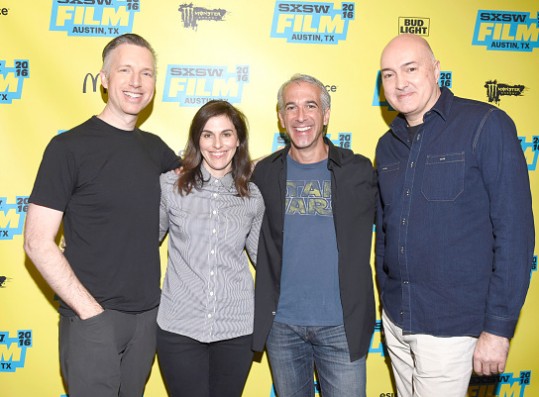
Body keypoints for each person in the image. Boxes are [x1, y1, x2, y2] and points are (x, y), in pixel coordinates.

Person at [375, 33, 535, 397]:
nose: (399, 82)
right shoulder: (387, 147)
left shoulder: (486, 124)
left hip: (450, 326)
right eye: (388, 74)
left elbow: (515, 232)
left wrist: (498, 328)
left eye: (410, 68)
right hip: (397, 320)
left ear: (436, 69)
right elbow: (384, 233)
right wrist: (387, 300)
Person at [23, 33, 180, 397]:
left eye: (146, 73)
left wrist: (286, 158)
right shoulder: (68, 148)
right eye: (125, 70)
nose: (136, 82)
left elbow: (209, 180)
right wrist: (90, 312)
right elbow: (36, 241)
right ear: (104, 79)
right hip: (93, 319)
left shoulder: (154, 148)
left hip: (146, 320)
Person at [251, 74, 377, 397]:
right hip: (283, 327)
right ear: (281, 118)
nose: (301, 116)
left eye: (310, 105)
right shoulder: (265, 173)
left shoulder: (358, 171)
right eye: (290, 107)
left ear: (326, 114)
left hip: (341, 326)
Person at [156, 100, 264, 397]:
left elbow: (263, 259)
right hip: (179, 328)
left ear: (238, 139)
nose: (217, 144)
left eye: (226, 134)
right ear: (197, 140)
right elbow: (143, 239)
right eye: (208, 134)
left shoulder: (253, 196)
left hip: (236, 330)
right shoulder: (171, 186)